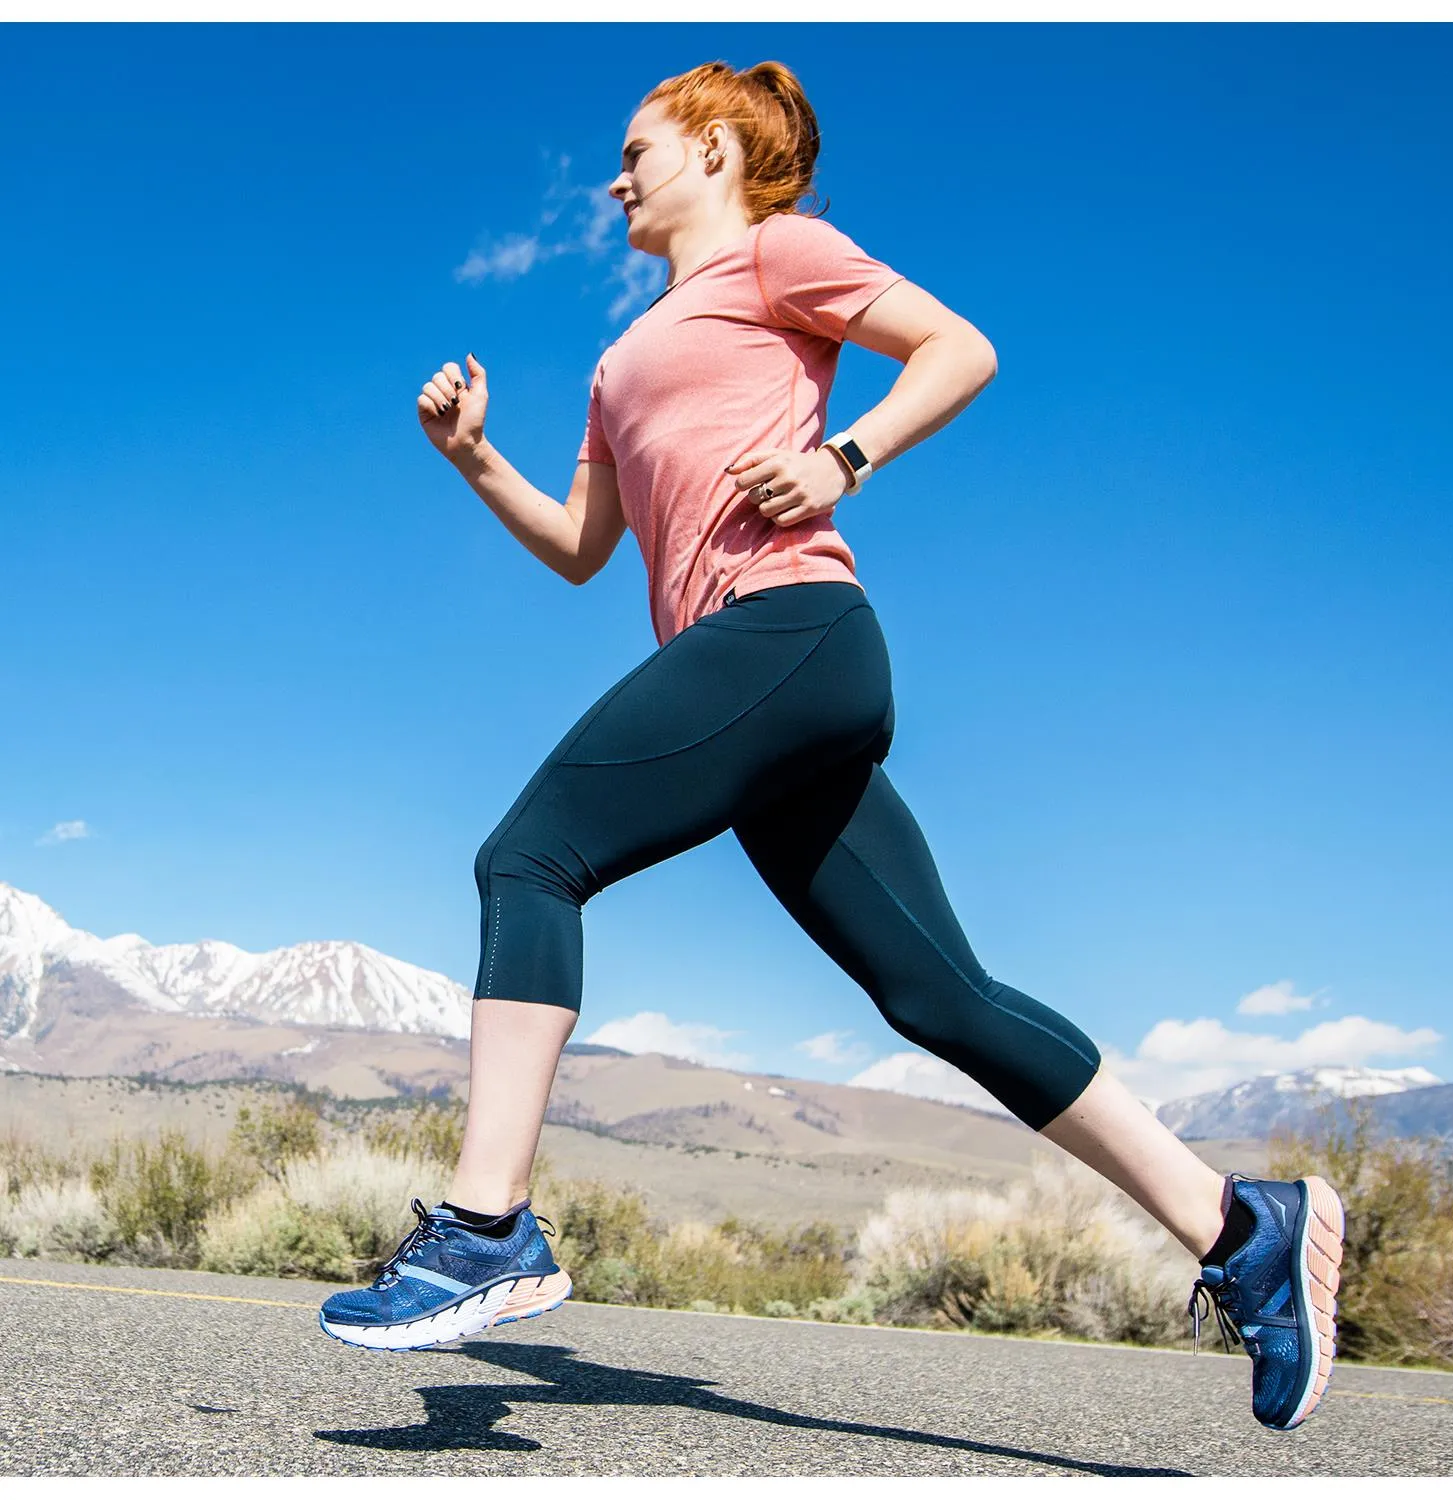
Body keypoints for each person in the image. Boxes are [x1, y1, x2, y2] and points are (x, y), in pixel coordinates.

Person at [318, 59, 1346, 1433]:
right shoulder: (622, 361)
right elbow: (582, 553)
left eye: (638, 149)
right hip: (748, 682)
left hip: (791, 631)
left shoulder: (777, 253)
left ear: (719, 148)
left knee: (529, 857)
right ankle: (1241, 1228)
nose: (615, 176)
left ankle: (487, 1225)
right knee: (944, 998)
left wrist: (843, 459)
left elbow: (958, 349)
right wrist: (474, 459)